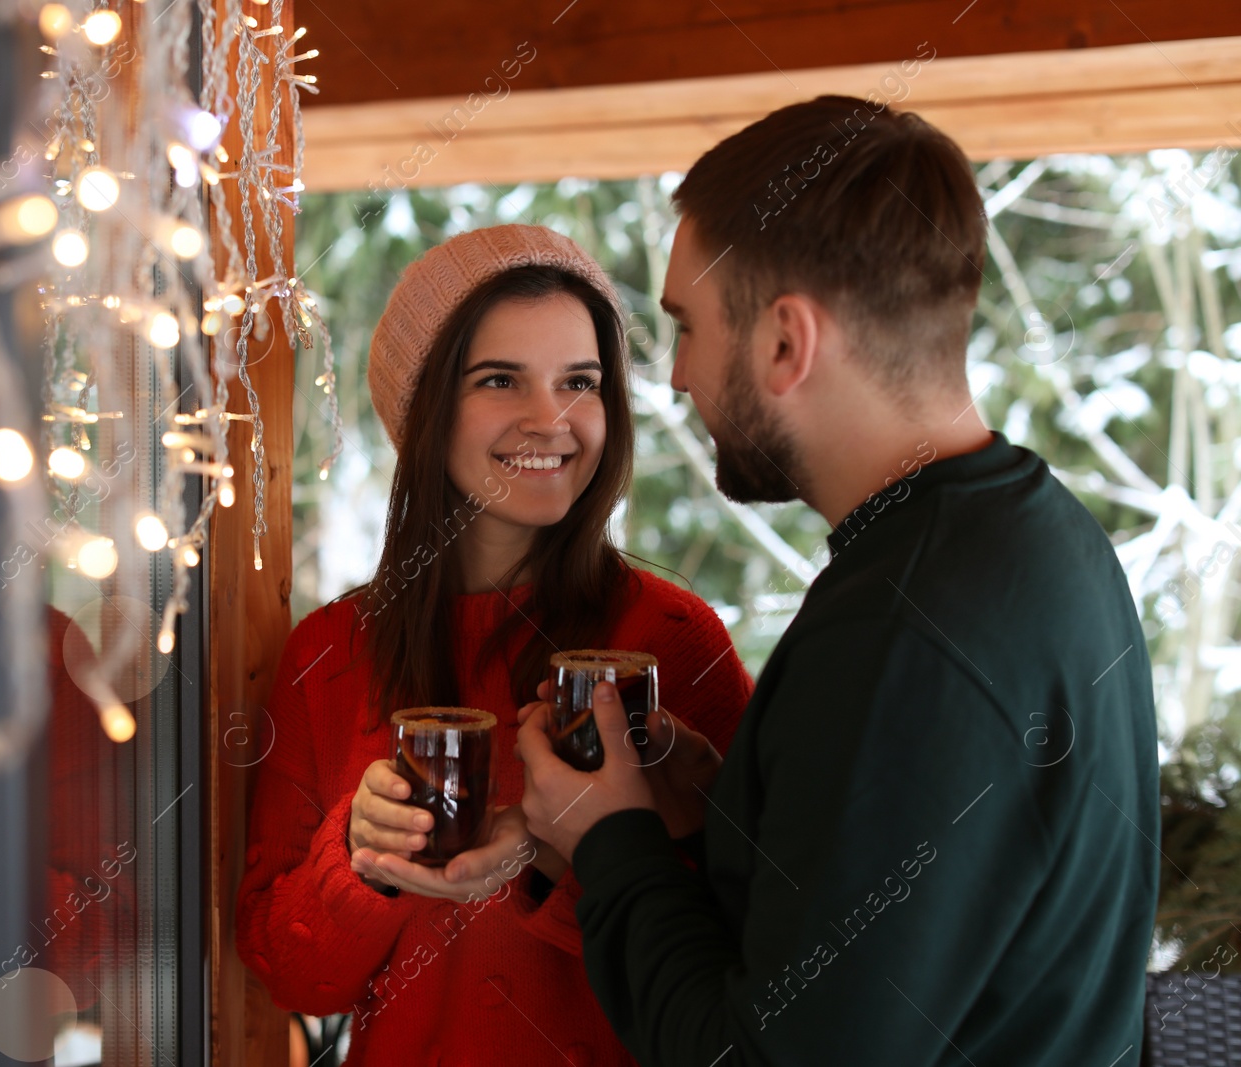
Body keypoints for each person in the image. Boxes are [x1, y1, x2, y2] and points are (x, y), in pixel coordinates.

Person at [517, 96, 1159, 1065]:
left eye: (687, 326)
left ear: (785, 344)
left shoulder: (902, 632)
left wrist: (608, 840)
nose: (678, 376)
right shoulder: (1039, 534)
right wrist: (739, 813)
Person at [235, 225, 755, 1066]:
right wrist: (363, 856)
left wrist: (557, 848)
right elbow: (288, 972)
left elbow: (752, 938)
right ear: (424, 407)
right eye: (500, 379)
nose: (551, 419)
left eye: (579, 382)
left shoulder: (671, 642)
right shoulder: (328, 653)